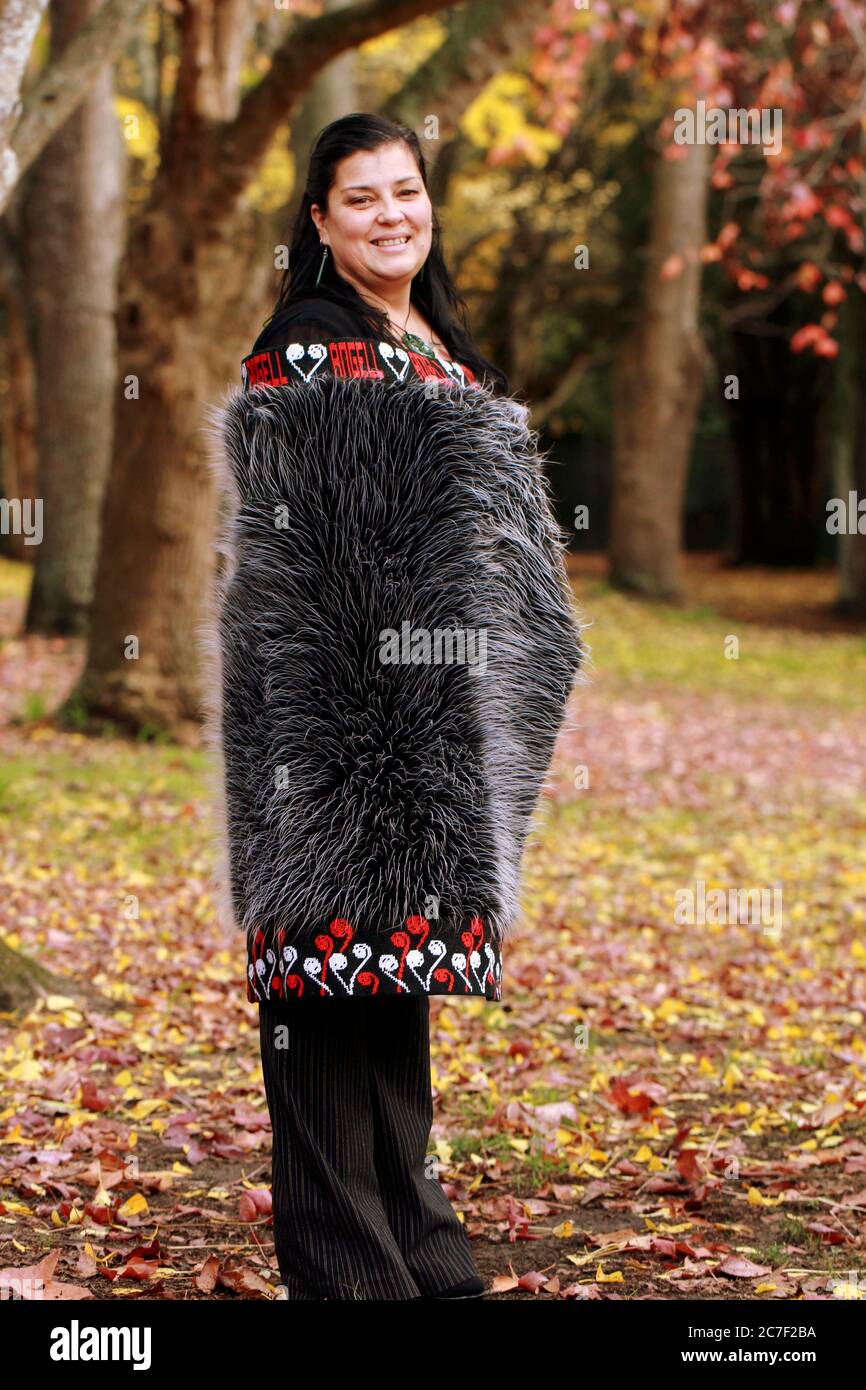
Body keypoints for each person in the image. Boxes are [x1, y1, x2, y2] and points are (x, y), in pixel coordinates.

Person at [207, 112, 583, 1301]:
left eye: (405, 191)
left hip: (429, 731)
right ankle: (353, 1280)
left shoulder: (438, 344)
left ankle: (428, 1265)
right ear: (317, 223)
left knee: (387, 1004)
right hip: (330, 731)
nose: (389, 214)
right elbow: (312, 550)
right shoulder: (308, 344)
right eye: (359, 198)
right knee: (324, 1007)